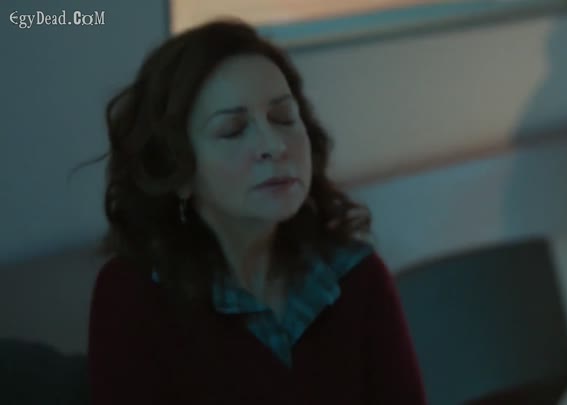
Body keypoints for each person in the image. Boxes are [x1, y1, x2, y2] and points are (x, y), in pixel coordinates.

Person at [81, 17, 427, 405]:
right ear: (177, 170)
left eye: (283, 119)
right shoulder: (134, 296)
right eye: (233, 130)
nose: (274, 145)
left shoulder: (357, 277)